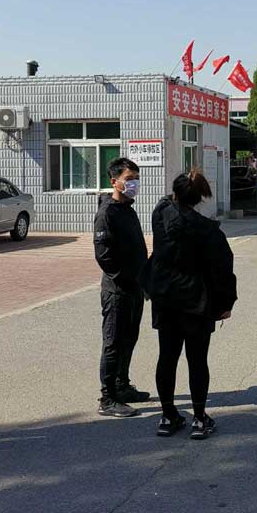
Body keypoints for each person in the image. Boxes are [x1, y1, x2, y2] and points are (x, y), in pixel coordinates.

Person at [143, 168, 237, 440]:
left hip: (165, 299)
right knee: (197, 361)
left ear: (175, 193)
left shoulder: (160, 216)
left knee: (167, 357)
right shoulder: (208, 231)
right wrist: (225, 302)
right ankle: (199, 418)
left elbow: (166, 202)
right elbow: (222, 269)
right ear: (199, 198)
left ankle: (167, 415)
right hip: (197, 302)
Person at [93, 157, 150, 418]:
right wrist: (126, 280)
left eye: (136, 178)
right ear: (114, 181)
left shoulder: (128, 208)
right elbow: (104, 256)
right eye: (129, 179)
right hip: (118, 290)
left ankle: (122, 385)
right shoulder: (107, 213)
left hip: (135, 288)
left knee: (129, 339)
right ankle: (108, 398)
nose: (134, 183)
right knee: (113, 342)